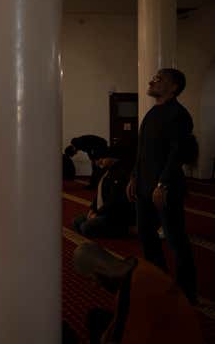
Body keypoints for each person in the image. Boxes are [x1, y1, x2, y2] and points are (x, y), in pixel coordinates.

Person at [126, 68, 198, 304]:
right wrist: (134, 177)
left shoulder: (179, 115)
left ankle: (188, 293)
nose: (152, 81)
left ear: (174, 87)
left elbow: (177, 154)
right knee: (146, 237)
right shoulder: (151, 114)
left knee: (176, 239)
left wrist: (162, 184)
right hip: (144, 186)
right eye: (153, 78)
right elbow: (142, 151)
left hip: (165, 189)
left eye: (159, 79)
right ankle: (160, 281)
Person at [73, 242, 204, 344]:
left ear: (98, 271)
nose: (94, 286)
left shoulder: (131, 293)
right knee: (95, 317)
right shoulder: (136, 263)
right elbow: (122, 317)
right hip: (179, 330)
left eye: (92, 280)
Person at [73, 148, 132, 238]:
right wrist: (92, 209)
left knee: (85, 227)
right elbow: (99, 194)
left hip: (113, 214)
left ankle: (125, 230)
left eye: (102, 159)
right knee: (77, 222)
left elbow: (114, 200)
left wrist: (97, 213)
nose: (99, 162)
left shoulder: (121, 173)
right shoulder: (107, 171)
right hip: (102, 211)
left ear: (112, 158)